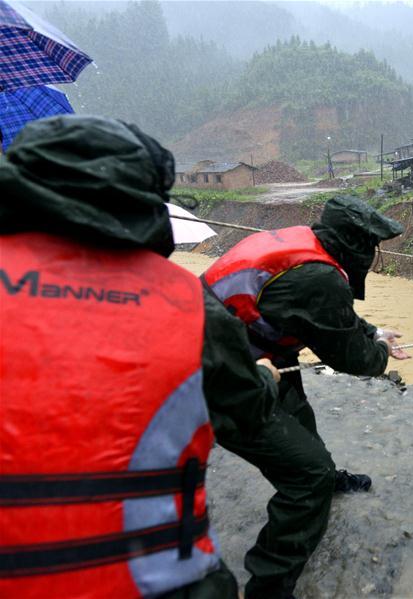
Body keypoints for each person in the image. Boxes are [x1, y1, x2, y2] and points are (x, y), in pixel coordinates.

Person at [0, 115, 282, 598]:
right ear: (148, 200)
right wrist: (268, 381)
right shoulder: (192, 304)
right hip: (160, 585)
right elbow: (243, 416)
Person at [201, 195, 409, 599]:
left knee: (297, 416)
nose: (373, 254)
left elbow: (330, 316)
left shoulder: (303, 245)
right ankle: (270, 587)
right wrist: (378, 350)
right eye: (371, 247)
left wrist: (372, 330)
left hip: (242, 350)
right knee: (306, 476)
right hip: (219, 376)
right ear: (353, 245)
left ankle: (324, 478)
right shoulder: (319, 279)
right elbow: (353, 359)